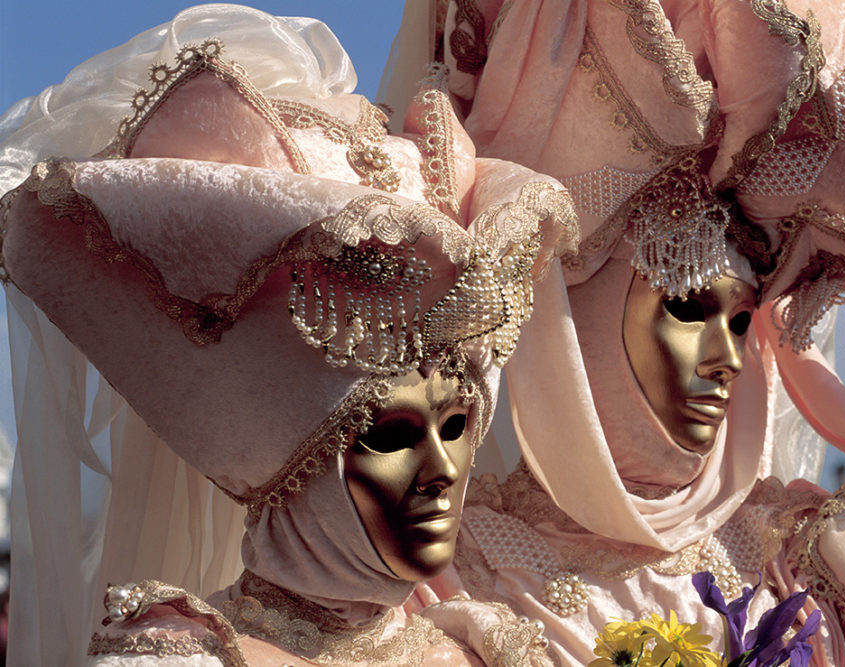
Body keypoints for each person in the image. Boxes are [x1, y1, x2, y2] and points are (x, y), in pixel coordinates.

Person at [384, 0, 845, 664]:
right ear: (576, 333)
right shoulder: (446, 570)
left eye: (743, 323)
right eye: (688, 308)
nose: (726, 360)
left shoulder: (799, 560)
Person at [0, 5, 577, 664]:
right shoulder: (185, 655)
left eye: (455, 426)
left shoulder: (478, 645)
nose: (443, 472)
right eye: (390, 434)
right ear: (281, 456)